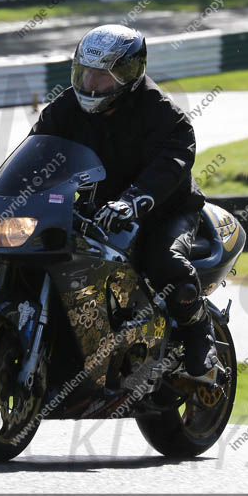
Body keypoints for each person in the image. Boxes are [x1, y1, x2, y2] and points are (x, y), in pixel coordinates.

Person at [29, 24, 217, 376]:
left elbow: (172, 163)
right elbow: (36, 151)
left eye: (101, 77)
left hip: (162, 211)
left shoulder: (162, 113)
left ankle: (199, 331)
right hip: (94, 210)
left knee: (165, 264)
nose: (90, 85)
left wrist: (134, 201)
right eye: (85, 74)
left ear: (127, 75)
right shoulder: (64, 109)